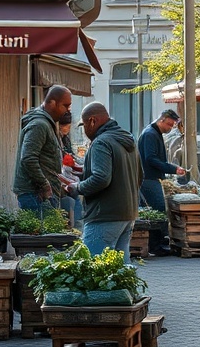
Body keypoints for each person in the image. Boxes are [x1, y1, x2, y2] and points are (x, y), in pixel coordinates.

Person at [60, 102, 142, 257]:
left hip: (104, 215)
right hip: (127, 213)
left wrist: (76, 187)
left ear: (92, 121)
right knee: (120, 268)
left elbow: (101, 178)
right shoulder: (127, 139)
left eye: (84, 125)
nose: (84, 130)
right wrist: (83, 171)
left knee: (91, 266)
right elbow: (138, 176)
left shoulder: (101, 142)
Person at [13, 85, 72, 211]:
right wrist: (45, 184)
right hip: (36, 195)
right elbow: (28, 158)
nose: (68, 110)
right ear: (52, 103)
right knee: (43, 230)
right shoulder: (39, 124)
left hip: (41, 194)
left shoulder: (46, 122)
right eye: (65, 105)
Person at [57, 111, 84, 230]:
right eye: (68, 126)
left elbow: (70, 157)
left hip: (69, 179)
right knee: (72, 208)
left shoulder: (64, 139)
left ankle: (76, 230)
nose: (69, 129)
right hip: (62, 182)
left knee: (76, 206)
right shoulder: (56, 139)